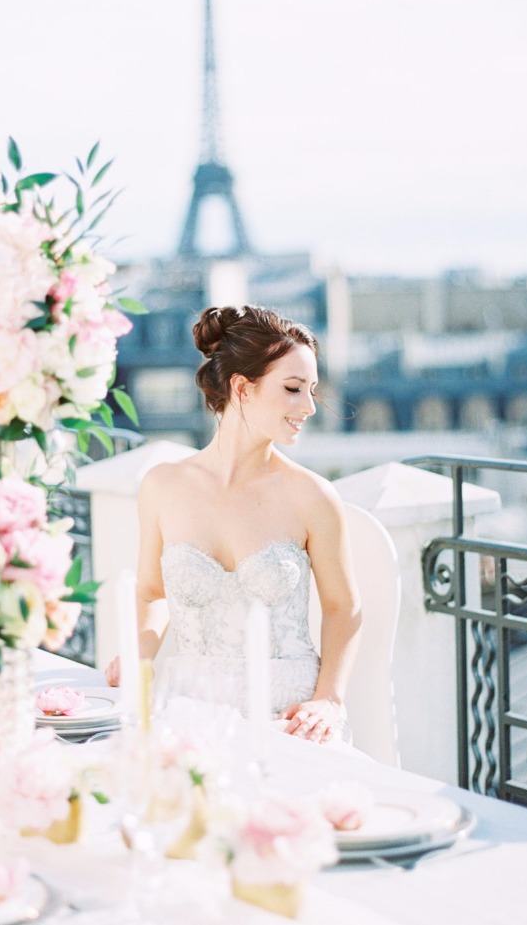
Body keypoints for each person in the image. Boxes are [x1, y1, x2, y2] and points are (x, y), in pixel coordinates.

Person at [106, 305, 362, 743]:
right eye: (294, 389)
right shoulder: (163, 486)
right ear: (242, 388)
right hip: (190, 704)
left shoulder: (313, 496)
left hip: (288, 712)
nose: (309, 407)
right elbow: (152, 591)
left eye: (311, 391)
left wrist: (329, 700)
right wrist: (139, 654)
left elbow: (344, 608)